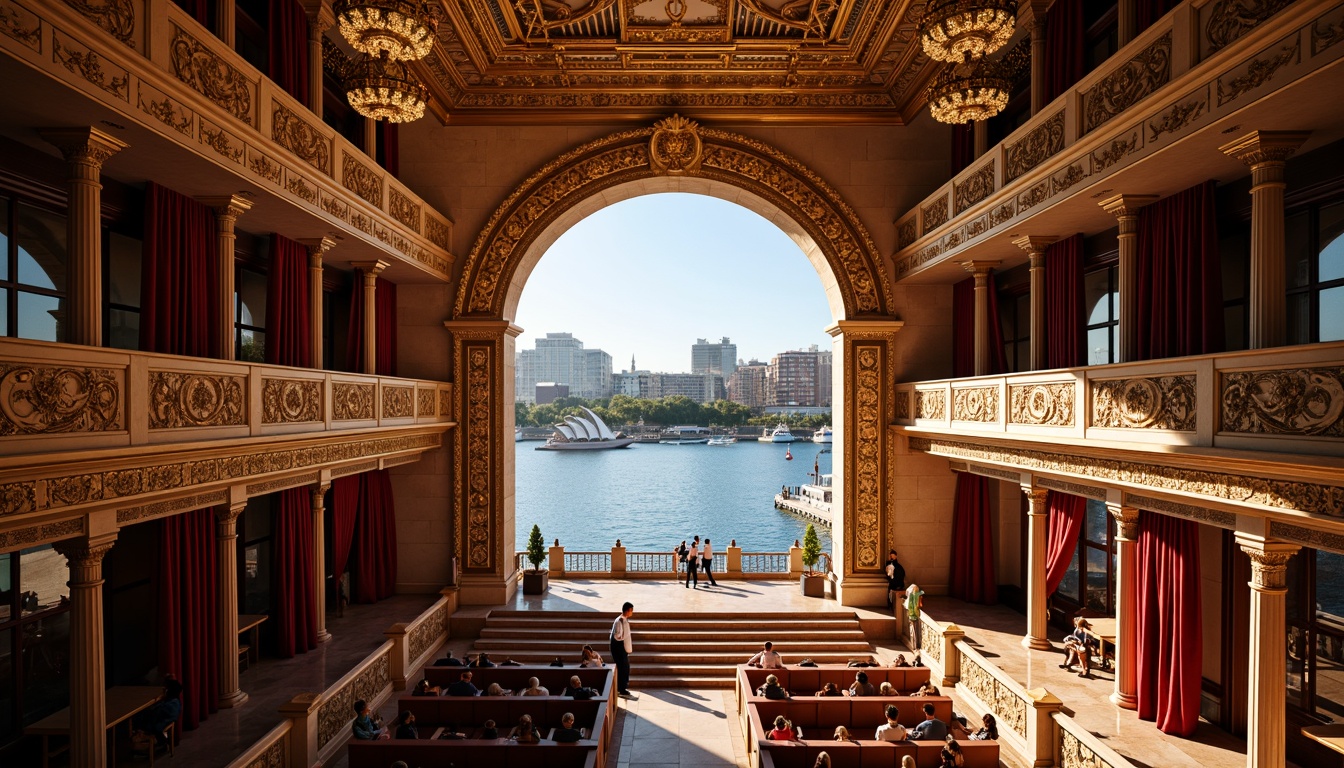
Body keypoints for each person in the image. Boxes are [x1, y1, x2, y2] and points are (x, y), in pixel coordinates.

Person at [132, 675, 183, 746]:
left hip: (158, 725)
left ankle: (147, 739)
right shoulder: (173, 701)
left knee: (137, 719)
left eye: (165, 689)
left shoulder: (171, 705)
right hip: (159, 723)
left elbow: (156, 714)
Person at [611, 601, 634, 696]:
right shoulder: (619, 621)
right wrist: (624, 638)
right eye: (631, 610)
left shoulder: (623, 619)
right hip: (619, 648)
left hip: (622, 648)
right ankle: (621, 688)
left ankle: (623, 687)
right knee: (622, 668)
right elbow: (617, 635)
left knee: (625, 667)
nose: (632, 612)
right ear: (627, 610)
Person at [905, 583, 925, 647]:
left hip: (914, 615)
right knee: (913, 631)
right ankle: (915, 645)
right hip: (914, 615)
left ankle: (915, 645)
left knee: (915, 631)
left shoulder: (913, 596)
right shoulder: (914, 596)